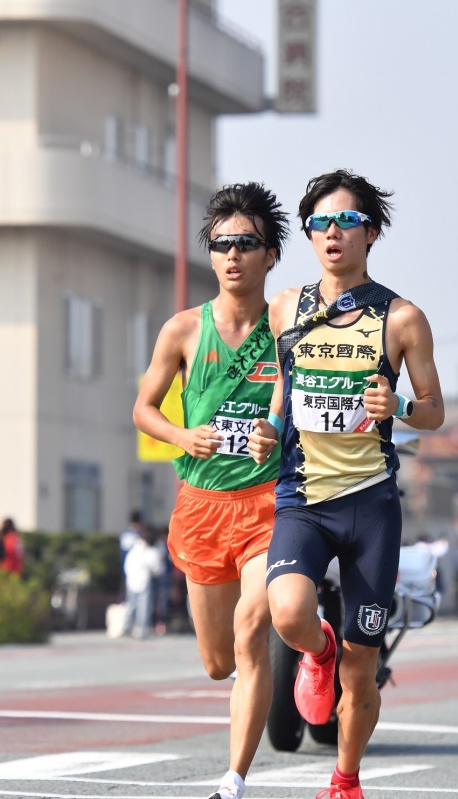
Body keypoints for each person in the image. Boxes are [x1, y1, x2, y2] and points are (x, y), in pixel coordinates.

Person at [248, 170, 444, 799]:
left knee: (363, 669)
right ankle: (318, 647)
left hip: (371, 506)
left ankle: (345, 779)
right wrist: (272, 425)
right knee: (288, 613)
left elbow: (435, 409)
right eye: (319, 224)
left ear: (371, 233)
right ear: (309, 236)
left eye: (346, 222)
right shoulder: (285, 305)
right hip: (302, 498)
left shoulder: (402, 318)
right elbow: (284, 379)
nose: (332, 234)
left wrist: (402, 409)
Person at [133, 182, 289, 799]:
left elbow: (316, 385)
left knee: (253, 631)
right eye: (221, 244)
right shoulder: (182, 331)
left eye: (246, 244)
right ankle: (299, 632)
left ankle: (234, 781)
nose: (232, 256)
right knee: (218, 661)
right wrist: (182, 434)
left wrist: (276, 429)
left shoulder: (286, 325)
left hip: (270, 503)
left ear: (270, 254)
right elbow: (143, 410)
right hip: (201, 507)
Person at [120, 525, 164, 639]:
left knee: (131, 605)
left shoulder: (134, 548)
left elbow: (127, 565)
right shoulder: (151, 551)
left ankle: (127, 627)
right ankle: (142, 629)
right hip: (144, 580)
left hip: (131, 580)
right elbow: (157, 569)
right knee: (144, 607)